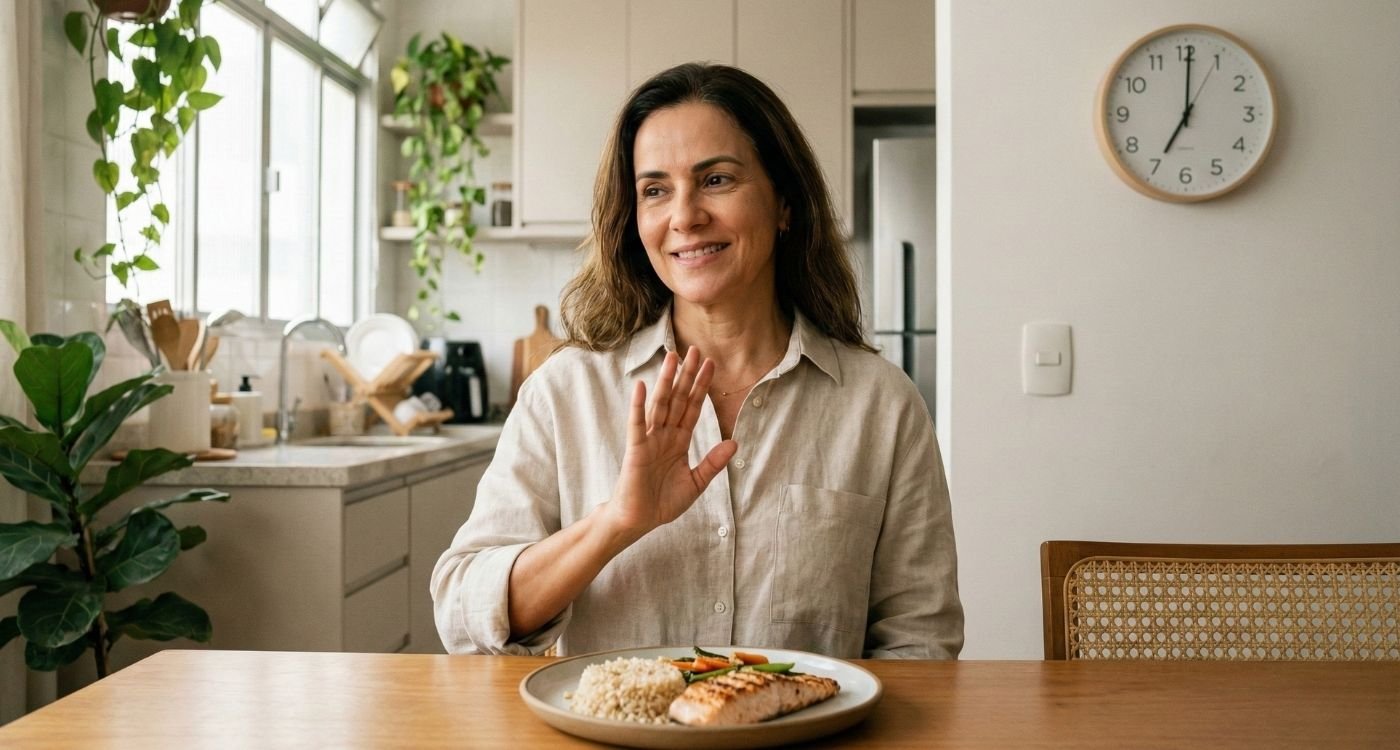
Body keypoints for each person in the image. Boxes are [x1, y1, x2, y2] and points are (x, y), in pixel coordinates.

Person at [431, 63, 962, 659]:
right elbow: (463, 612)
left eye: (716, 179)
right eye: (655, 190)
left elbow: (922, 641)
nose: (684, 216)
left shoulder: (882, 404)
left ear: (785, 203)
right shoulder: (564, 392)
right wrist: (615, 523)